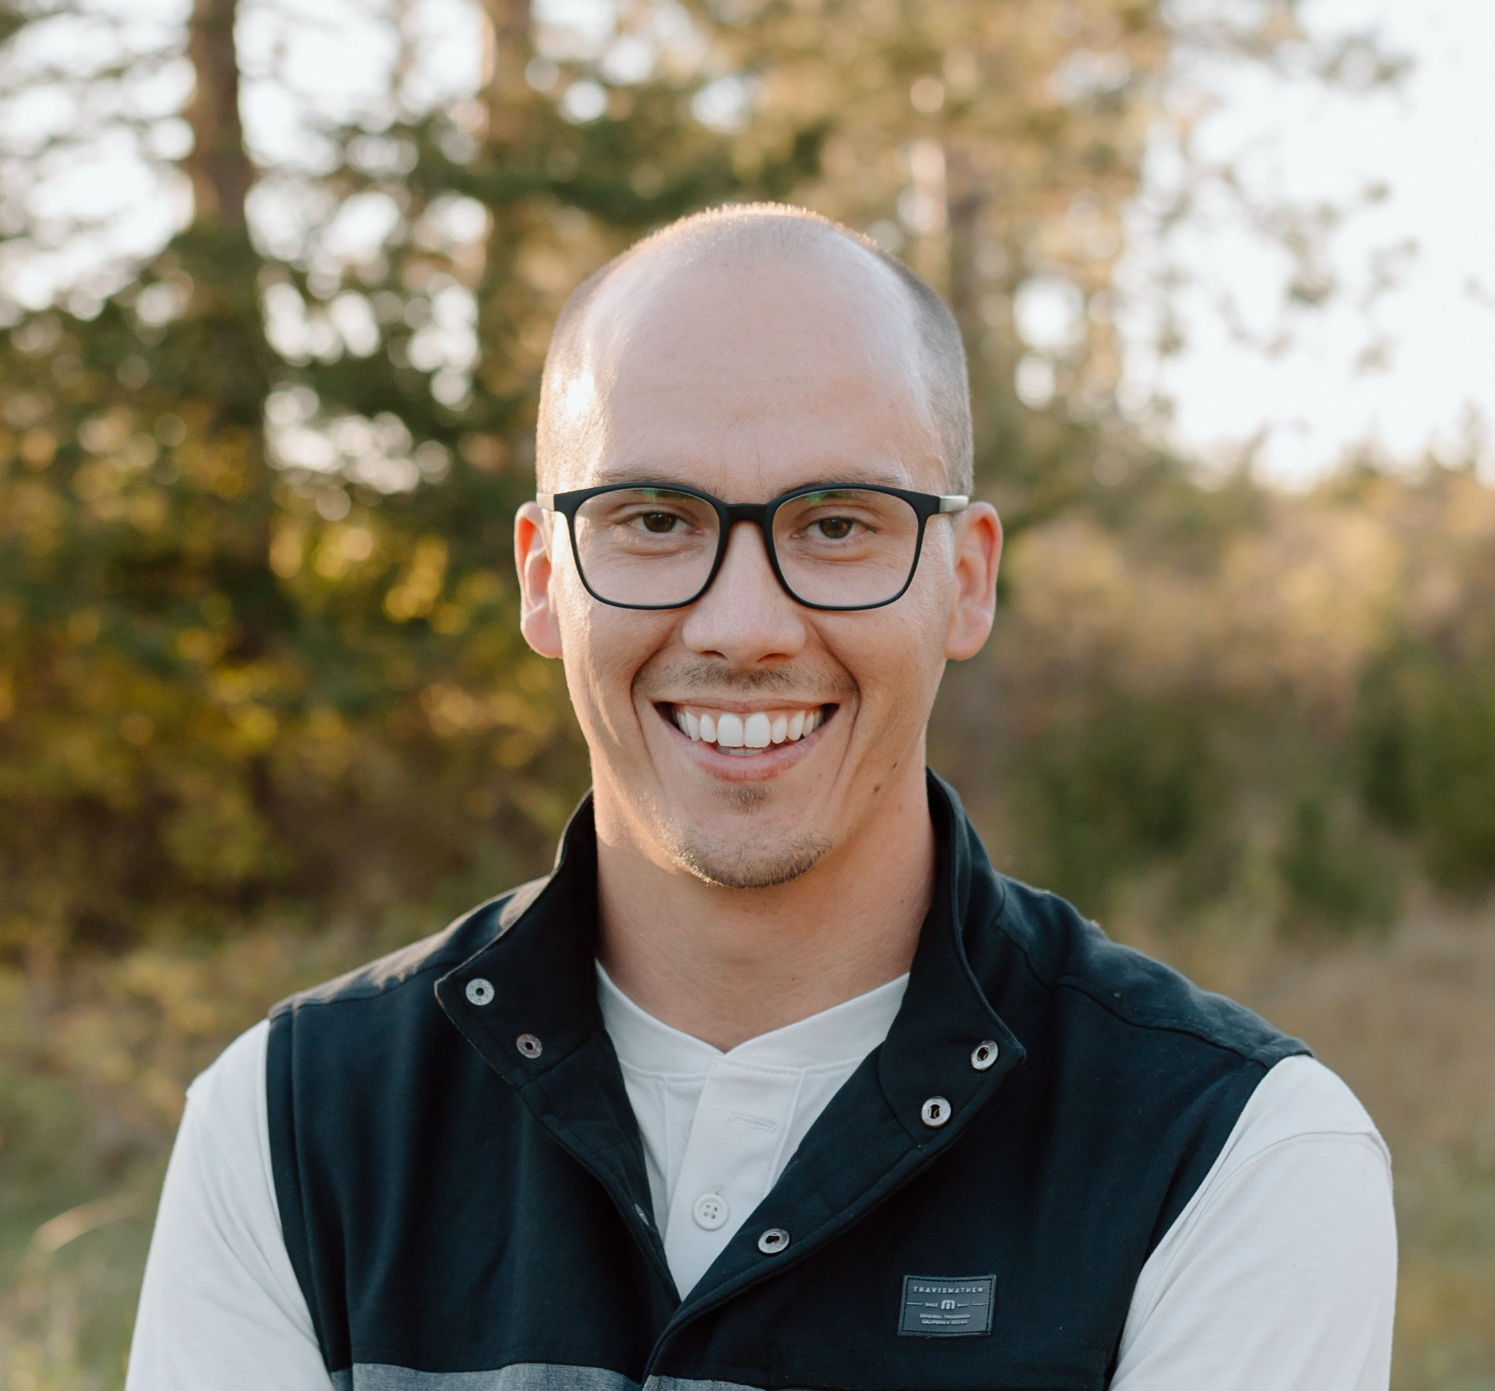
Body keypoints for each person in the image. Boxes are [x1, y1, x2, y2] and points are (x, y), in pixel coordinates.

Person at [124, 204, 1395, 1390]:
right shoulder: (290, 1123)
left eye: (837, 524)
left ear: (965, 579)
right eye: (653, 519)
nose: (743, 624)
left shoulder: (1235, 1156)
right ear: (542, 574)